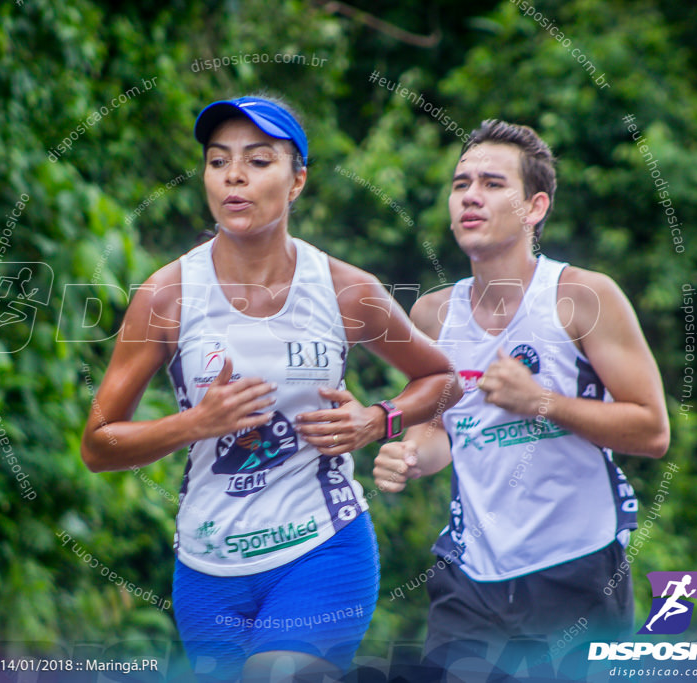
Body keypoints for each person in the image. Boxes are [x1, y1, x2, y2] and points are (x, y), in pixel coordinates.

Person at [81, 95, 460, 682]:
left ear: (297, 181)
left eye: (259, 161)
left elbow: (442, 381)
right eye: (217, 160)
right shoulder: (166, 296)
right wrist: (193, 424)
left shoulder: (345, 290)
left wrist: (376, 421)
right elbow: (98, 445)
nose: (234, 175)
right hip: (208, 568)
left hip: (321, 550)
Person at [373, 120, 670, 679]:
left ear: (534, 207)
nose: (471, 197)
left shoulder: (582, 297)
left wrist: (541, 402)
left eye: (490, 183)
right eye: (461, 184)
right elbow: (438, 433)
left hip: (576, 569)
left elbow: (652, 431)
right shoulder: (433, 315)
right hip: (470, 577)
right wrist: (409, 459)